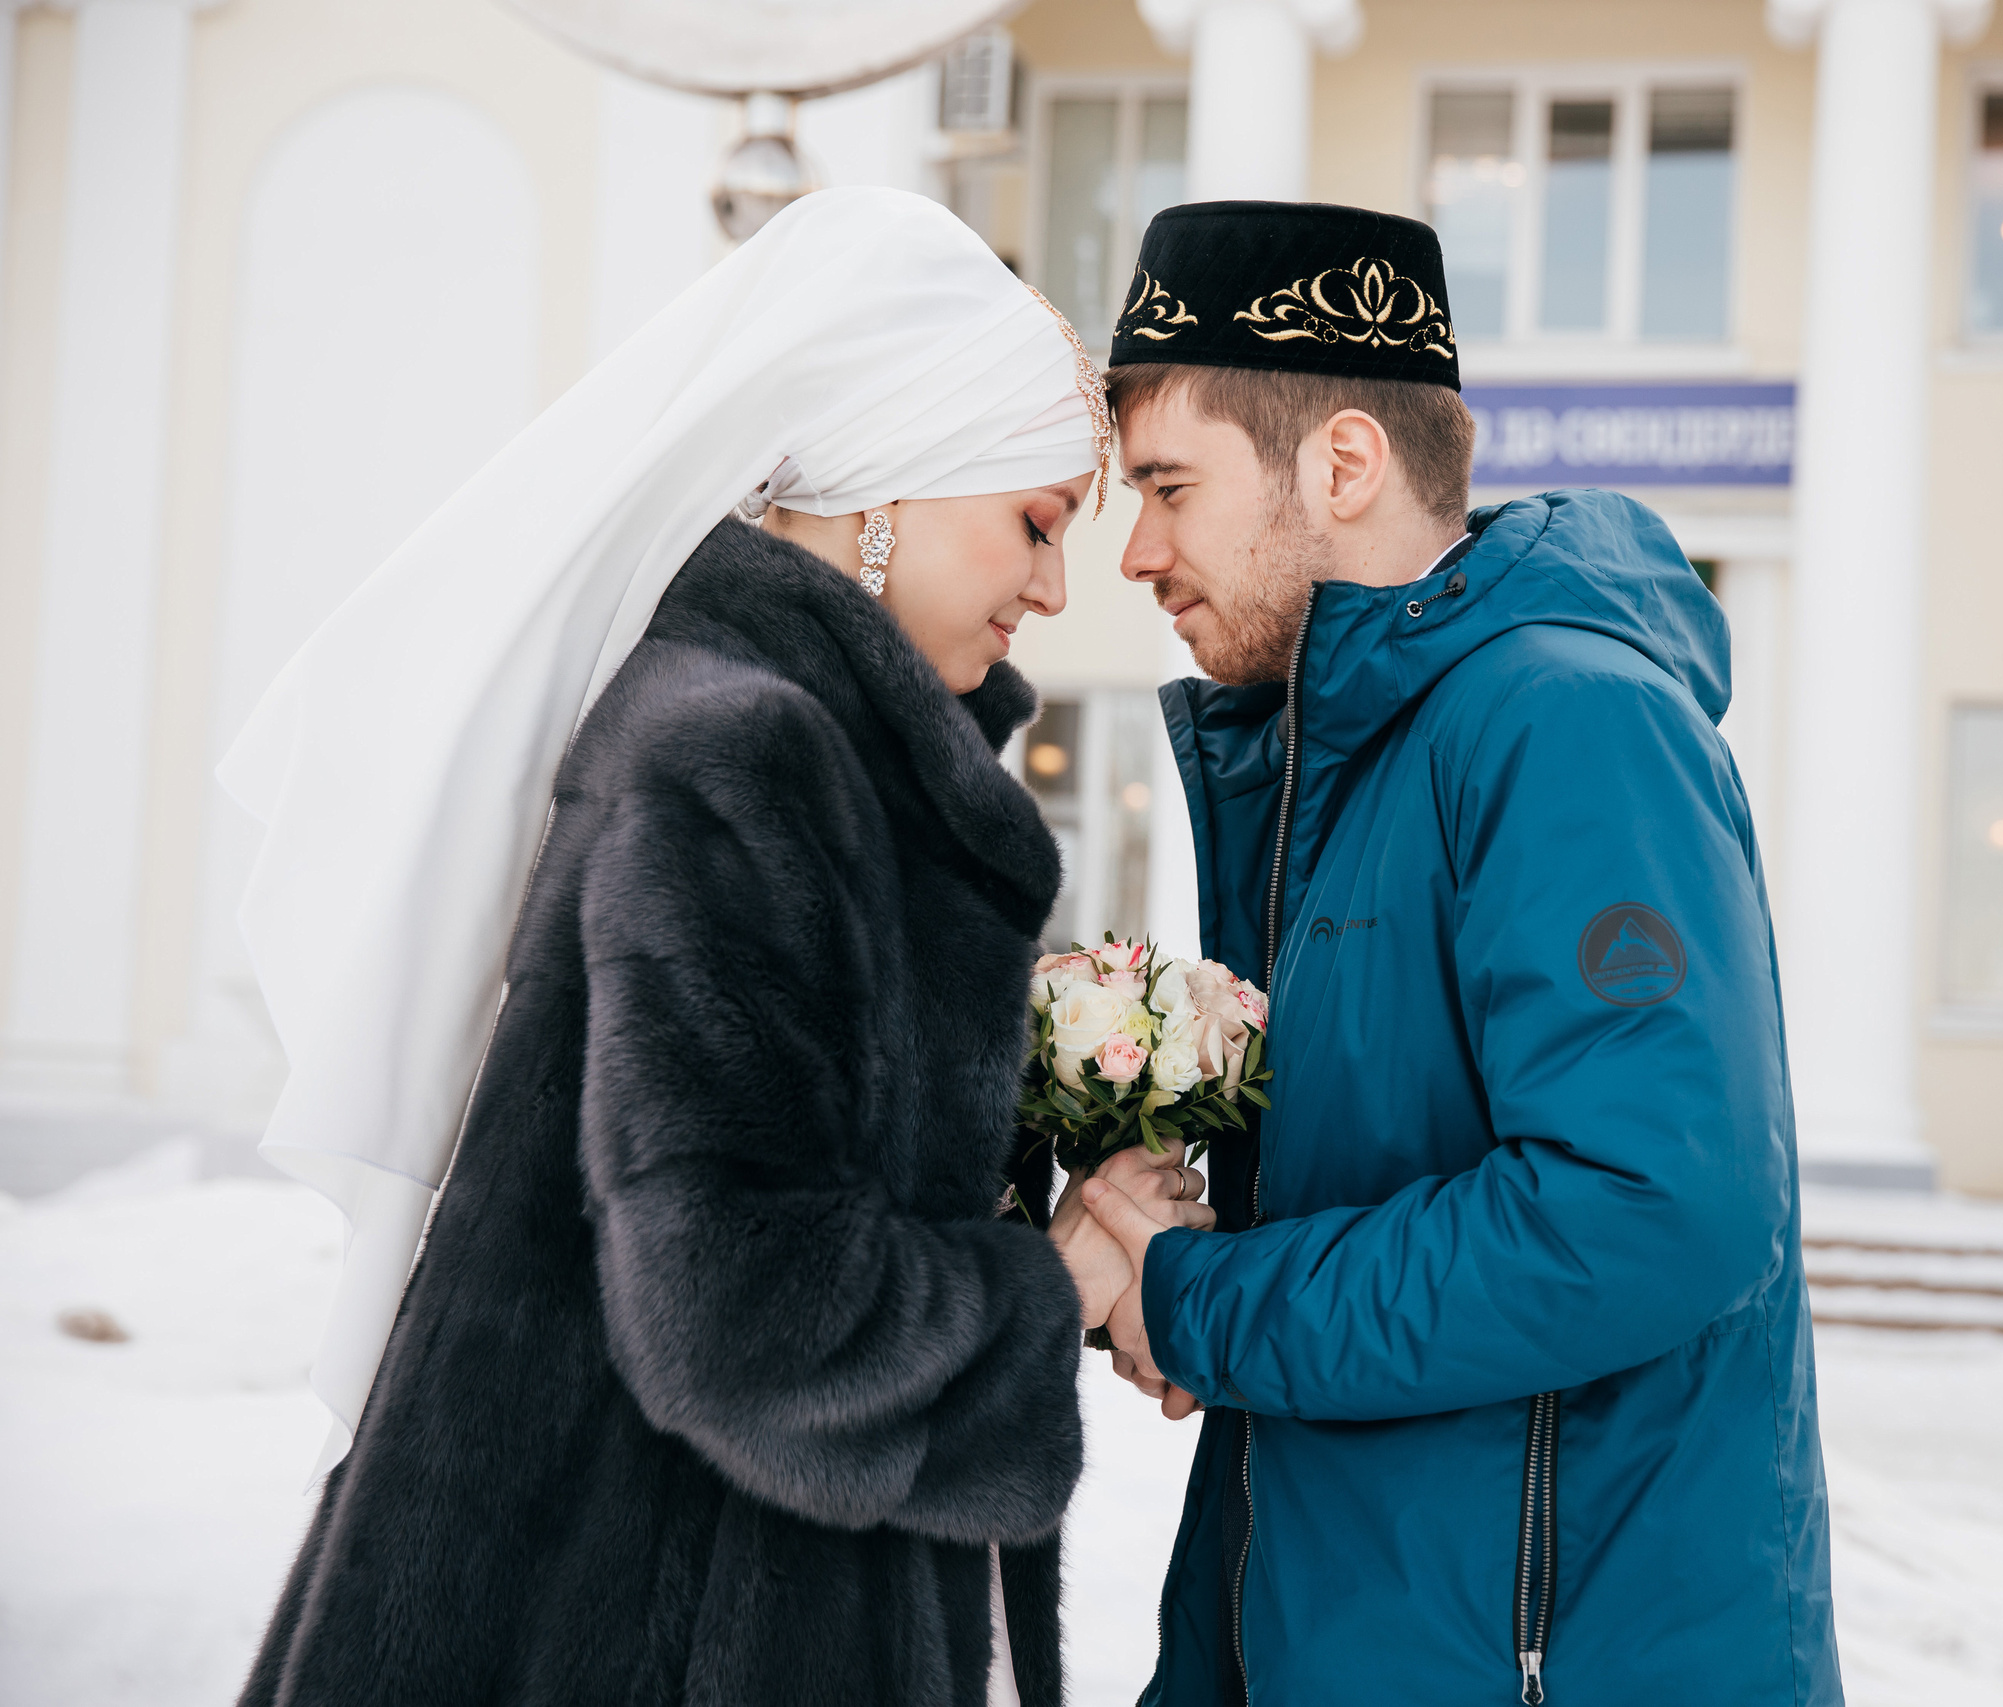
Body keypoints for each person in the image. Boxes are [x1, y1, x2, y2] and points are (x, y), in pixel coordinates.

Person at [223, 187, 1204, 1707]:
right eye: (1034, 520)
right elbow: (743, 1312)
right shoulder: (746, 757)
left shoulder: (808, 750)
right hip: (639, 1615)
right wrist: (1054, 1284)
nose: (1051, 589)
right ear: (890, 484)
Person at [1069, 202, 1842, 1706]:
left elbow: (1647, 1212)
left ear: (1342, 464)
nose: (1136, 552)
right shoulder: (1337, 751)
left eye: (1169, 485)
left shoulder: (1567, 724)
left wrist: (1197, 1301)